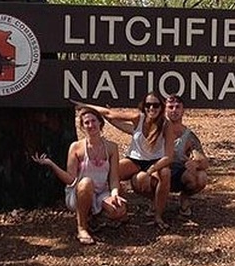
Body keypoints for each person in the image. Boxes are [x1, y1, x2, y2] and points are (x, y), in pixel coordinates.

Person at [74, 94, 175, 229]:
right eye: (148, 105)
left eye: (156, 105)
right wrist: (84, 106)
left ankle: (158, 216)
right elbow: (110, 113)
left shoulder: (166, 124)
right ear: (143, 107)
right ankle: (98, 209)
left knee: (165, 173)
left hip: (155, 162)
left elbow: (169, 157)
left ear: (161, 107)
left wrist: (150, 171)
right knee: (110, 173)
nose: (152, 108)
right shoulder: (138, 118)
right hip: (135, 160)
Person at [32, 107, 127, 245]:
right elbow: (71, 179)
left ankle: (96, 218)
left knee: (118, 211)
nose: (91, 125)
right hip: (79, 192)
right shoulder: (76, 147)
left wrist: (114, 193)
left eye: (93, 121)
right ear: (82, 127)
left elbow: (113, 177)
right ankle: (82, 227)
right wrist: (51, 164)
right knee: (86, 182)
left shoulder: (111, 147)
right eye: (86, 123)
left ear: (100, 123)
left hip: (101, 192)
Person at [164, 94, 210, 218]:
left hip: (179, 174)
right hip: (159, 173)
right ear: (165, 109)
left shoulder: (188, 136)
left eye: (177, 107)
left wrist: (195, 163)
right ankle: (155, 202)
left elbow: (204, 162)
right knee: (140, 179)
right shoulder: (156, 131)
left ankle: (184, 198)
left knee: (201, 177)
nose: (174, 110)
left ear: (183, 110)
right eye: (171, 107)